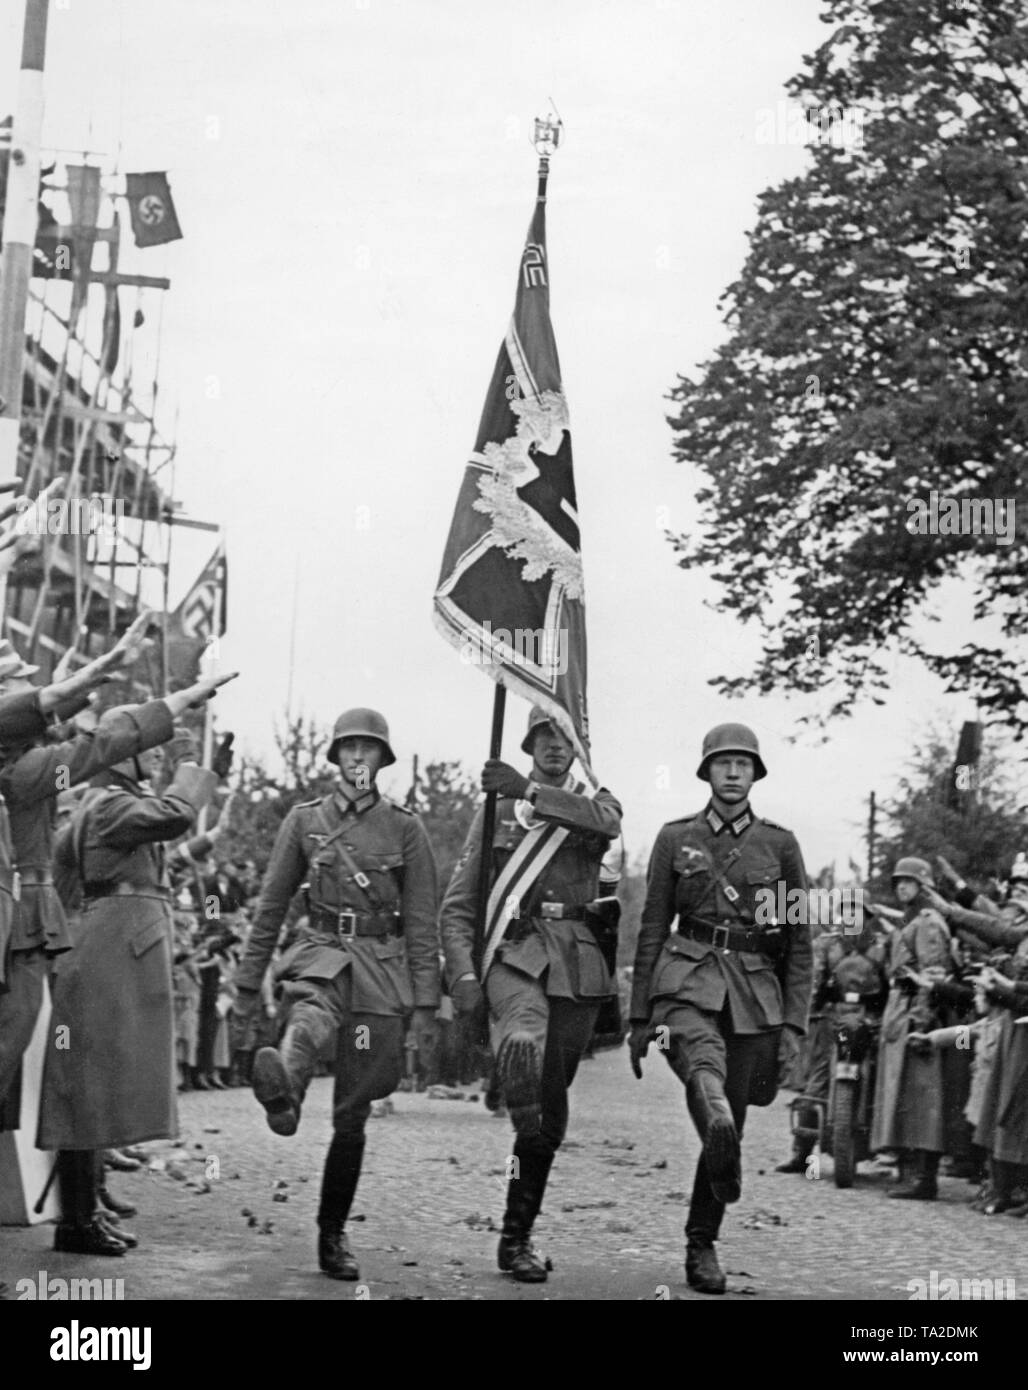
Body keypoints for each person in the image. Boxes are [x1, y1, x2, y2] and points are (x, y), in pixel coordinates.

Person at [231, 708, 440, 1282]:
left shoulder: (406, 829)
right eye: (348, 748)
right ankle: (286, 1090)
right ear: (335, 757)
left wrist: (426, 1006)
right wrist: (248, 986)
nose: (357, 758)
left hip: (382, 970)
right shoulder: (305, 822)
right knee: (309, 1012)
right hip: (322, 950)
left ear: (382, 760)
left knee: (353, 1113)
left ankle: (332, 1230)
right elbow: (271, 907)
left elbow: (423, 922)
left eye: (368, 749)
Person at [36, 671, 235, 1256]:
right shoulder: (110, 806)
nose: (155, 755)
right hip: (103, 955)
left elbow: (170, 833)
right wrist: (203, 774)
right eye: (147, 748)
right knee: (86, 1089)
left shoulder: (107, 804)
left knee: (96, 1088)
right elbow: (174, 815)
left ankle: (85, 1211)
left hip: (105, 952)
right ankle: (76, 1221)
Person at [439, 704, 622, 1284]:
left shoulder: (598, 803)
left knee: (545, 1116)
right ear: (528, 742)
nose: (553, 746)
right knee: (523, 1025)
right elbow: (459, 902)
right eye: (543, 736)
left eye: (563, 738)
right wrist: (463, 975)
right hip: (514, 953)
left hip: (578, 967)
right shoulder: (495, 813)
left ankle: (515, 1235)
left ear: (578, 749)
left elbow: (605, 825)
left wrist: (530, 792)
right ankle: (516, 1053)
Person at [628, 723, 811, 1294]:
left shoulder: (779, 846)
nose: (732, 772)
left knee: (731, 1112)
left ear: (756, 774)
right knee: (701, 1058)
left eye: (743, 764)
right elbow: (653, 925)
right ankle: (715, 1122)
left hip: (755, 992)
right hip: (685, 977)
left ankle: (700, 1238)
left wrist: (794, 1025)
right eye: (722, 763)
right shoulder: (673, 837)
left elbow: (799, 941)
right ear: (705, 772)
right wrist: (638, 1018)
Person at [0, 614, 156, 1118]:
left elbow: (59, 725)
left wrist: (95, 679)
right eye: (23, 676)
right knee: (19, 1031)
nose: (35, 681)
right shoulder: (26, 768)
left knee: (25, 1036)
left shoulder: (34, 757)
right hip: (21, 910)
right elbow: (83, 752)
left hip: (29, 912)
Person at [775, 905, 888, 1175]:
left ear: (867, 918)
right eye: (846, 911)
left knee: (882, 1081)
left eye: (857, 912)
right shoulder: (826, 945)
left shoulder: (881, 947)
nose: (851, 917)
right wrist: (809, 1014)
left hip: (871, 1020)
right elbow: (815, 982)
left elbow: (890, 983)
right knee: (816, 1082)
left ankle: (894, 1155)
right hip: (831, 1019)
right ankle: (801, 1153)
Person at [870, 856, 954, 1200]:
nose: (901, 886)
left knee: (922, 1098)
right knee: (906, 1096)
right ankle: (910, 1172)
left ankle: (924, 1178)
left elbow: (932, 976)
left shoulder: (928, 921)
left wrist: (921, 1021)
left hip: (917, 1014)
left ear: (924, 885)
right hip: (900, 1010)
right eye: (898, 882)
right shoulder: (911, 920)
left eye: (909, 881)